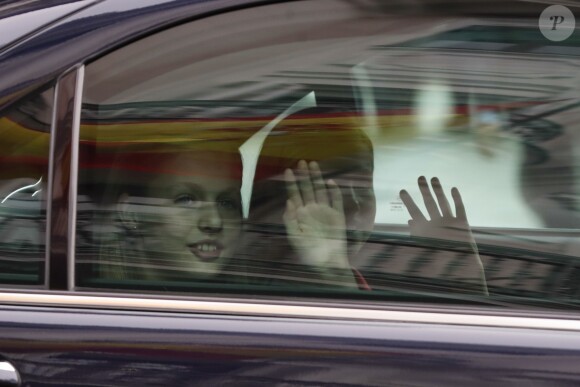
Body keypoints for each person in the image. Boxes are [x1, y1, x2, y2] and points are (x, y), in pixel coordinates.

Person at [249, 108, 488, 294]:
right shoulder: (251, 293)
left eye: (364, 190)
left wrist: (464, 275)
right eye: (331, 196)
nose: (357, 212)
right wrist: (332, 269)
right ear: (281, 202)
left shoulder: (383, 285)